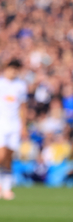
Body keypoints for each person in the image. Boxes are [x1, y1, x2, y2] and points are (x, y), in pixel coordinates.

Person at [0, 59, 27, 200]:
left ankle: (6, 188)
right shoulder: (1, 83)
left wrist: (23, 126)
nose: (14, 71)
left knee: (9, 157)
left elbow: (23, 107)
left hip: (14, 124)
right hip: (1, 123)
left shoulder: (20, 86)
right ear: (6, 68)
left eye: (17, 69)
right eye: (12, 68)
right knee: (1, 155)